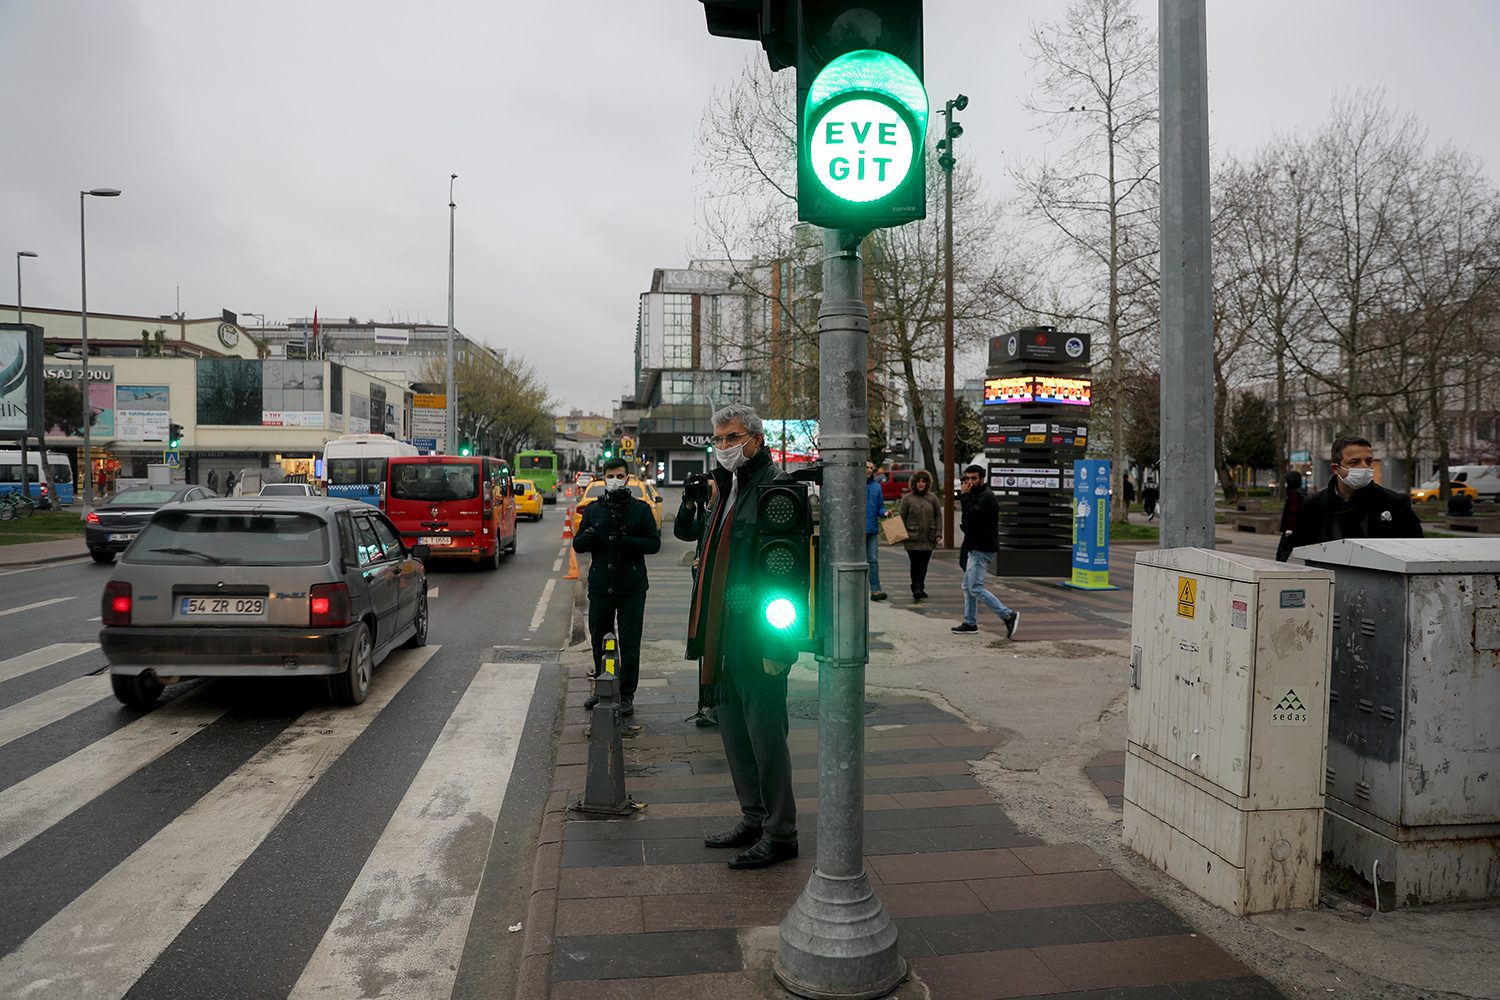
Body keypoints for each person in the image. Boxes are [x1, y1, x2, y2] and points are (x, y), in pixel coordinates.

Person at [675, 404, 800, 869]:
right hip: (721, 637)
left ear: (755, 438)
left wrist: (779, 645)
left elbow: (787, 576)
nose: (724, 447)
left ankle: (781, 831)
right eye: (719, 440)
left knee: (767, 739)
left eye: (732, 438)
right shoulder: (724, 490)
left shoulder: (776, 490)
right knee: (734, 735)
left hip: (757, 638)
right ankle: (754, 816)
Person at [574, 457, 661, 717]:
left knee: (630, 645)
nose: (615, 480)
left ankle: (626, 695)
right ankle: (603, 689)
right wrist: (586, 538)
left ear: (628, 478)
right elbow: (577, 544)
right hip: (601, 587)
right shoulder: (592, 510)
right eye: (610, 475)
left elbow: (653, 544)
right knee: (599, 644)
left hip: (632, 589)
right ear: (603, 478)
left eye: (620, 475)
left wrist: (629, 541)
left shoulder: (640, 509)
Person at [1286, 435, 1423, 549]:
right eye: (1355, 462)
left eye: (1368, 461)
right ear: (1336, 468)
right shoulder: (1313, 504)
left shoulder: (1395, 502)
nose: (1364, 467)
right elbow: (1303, 546)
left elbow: (1416, 546)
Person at [951, 466, 1020, 639]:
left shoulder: (986, 496)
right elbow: (967, 522)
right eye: (967, 479)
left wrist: (965, 496)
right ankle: (970, 622)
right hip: (973, 546)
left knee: (975, 587)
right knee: (968, 587)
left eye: (974, 479)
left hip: (982, 548)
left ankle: (1008, 615)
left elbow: (973, 514)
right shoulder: (975, 496)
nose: (970, 482)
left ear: (982, 479)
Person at [897, 469, 941, 600]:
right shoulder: (908, 499)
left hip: (929, 537)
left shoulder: (932, 498)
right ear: (914, 483)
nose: (921, 484)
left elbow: (938, 516)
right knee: (915, 563)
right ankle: (916, 587)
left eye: (923, 481)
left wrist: (938, 532)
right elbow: (901, 517)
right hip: (912, 537)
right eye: (919, 482)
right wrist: (901, 534)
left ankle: (920, 586)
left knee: (924, 564)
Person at [1274, 469, 1307, 562]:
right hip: (1299, 528)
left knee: (1282, 552)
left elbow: (1293, 512)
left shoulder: (1294, 494)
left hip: (1292, 529)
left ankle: (1280, 569)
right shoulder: (1302, 492)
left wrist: (1290, 528)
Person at [866, 461, 888, 601]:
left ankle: (876, 590)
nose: (868, 470)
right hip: (855, 531)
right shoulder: (853, 484)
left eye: (870, 468)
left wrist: (885, 513)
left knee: (873, 560)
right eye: (866, 467)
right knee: (854, 562)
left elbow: (880, 507)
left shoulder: (876, 487)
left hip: (872, 529)